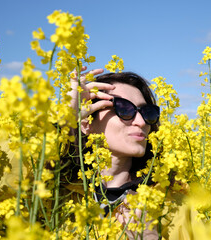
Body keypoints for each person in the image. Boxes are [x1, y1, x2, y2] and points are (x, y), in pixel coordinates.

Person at [64, 67, 160, 239]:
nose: (141, 122)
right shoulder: (59, 194)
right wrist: (65, 118)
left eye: (147, 112)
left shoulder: (170, 200)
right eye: (124, 109)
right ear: (87, 123)